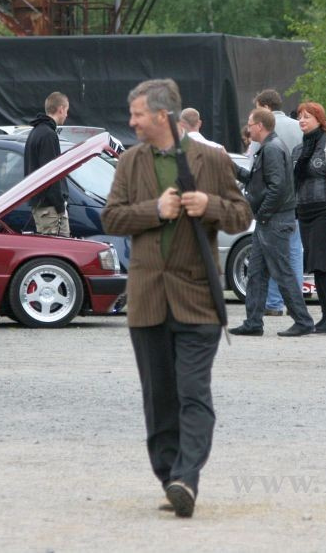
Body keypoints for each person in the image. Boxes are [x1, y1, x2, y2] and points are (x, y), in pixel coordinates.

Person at [102, 78, 251, 519]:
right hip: (148, 299)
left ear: (161, 115)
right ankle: (169, 477)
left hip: (197, 299)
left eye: (137, 115)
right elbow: (111, 218)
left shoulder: (212, 159)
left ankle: (187, 478)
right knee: (159, 397)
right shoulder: (130, 162)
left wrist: (211, 205)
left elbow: (242, 214)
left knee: (193, 392)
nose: (132, 122)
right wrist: (154, 210)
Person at [229, 107, 316, 337]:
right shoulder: (269, 148)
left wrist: (263, 213)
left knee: (281, 272)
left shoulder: (272, 149)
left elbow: (277, 187)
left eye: (250, 124)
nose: (248, 129)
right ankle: (253, 322)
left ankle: (303, 320)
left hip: (274, 221)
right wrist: (231, 167)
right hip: (270, 220)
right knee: (256, 272)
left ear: (260, 126)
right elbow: (256, 181)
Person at [291, 101, 326, 334]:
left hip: (325, 211)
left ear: (319, 120)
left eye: (307, 116)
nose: (302, 120)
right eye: (300, 117)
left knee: (324, 265)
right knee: (315, 265)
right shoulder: (298, 150)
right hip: (304, 211)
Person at [250, 89, 305, 317]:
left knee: (273, 261)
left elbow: (256, 170)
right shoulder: (298, 127)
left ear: (265, 108)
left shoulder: (268, 141)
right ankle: (295, 303)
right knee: (293, 254)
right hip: (294, 200)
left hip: (272, 207)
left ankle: (275, 303)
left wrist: (262, 212)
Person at [23, 91, 71, 236]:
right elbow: (51, 174)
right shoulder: (49, 135)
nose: (67, 115)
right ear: (61, 109)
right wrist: (60, 206)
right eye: (66, 111)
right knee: (60, 247)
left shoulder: (35, 132)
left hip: (41, 206)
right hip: (50, 209)